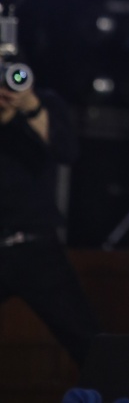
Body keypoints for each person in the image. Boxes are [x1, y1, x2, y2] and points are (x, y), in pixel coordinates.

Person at [0, 70, 99, 366]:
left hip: (35, 246)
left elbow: (67, 151)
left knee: (89, 343)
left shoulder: (45, 103)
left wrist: (30, 108)